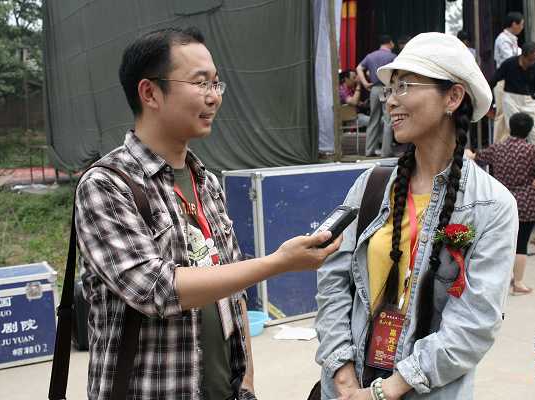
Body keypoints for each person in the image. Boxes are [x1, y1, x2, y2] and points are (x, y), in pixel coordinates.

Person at [74, 27, 340, 400]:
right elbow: (156, 289)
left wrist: (246, 380)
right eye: (200, 83)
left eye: (216, 83)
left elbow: (233, 287)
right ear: (150, 93)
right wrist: (278, 263)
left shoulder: (206, 182)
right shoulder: (106, 185)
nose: (214, 96)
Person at [315, 32, 518, 400]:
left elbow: (474, 323)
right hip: (348, 388)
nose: (391, 100)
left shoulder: (492, 206)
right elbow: (333, 280)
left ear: (453, 98)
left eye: (405, 86)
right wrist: (342, 374)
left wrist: (388, 390)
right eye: (391, 89)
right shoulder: (371, 186)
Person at [466, 112, 535, 295]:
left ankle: (499, 281)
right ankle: (519, 283)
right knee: (521, 243)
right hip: (527, 201)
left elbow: (478, 158)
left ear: (510, 127)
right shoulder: (531, 150)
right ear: (528, 130)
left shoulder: (498, 148)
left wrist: (470, 154)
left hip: (502, 200)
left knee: (503, 243)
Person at [490, 42, 535, 152]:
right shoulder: (509, 64)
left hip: (528, 100)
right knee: (513, 131)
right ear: (523, 56)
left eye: (534, 59)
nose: (532, 62)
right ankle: (513, 157)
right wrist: (490, 102)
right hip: (511, 99)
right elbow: (494, 80)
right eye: (530, 60)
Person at [357, 34, 396, 157]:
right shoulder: (392, 57)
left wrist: (364, 83)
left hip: (374, 89)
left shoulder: (370, 56)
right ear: (390, 43)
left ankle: (369, 150)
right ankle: (386, 151)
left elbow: (359, 68)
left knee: (373, 119)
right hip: (386, 88)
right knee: (388, 119)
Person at [492, 11, 524, 143]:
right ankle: (498, 146)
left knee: (512, 113)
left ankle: (509, 145)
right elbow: (510, 59)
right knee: (502, 114)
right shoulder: (502, 39)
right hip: (503, 82)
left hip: (511, 81)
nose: (522, 27)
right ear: (514, 24)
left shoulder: (512, 39)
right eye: (521, 24)